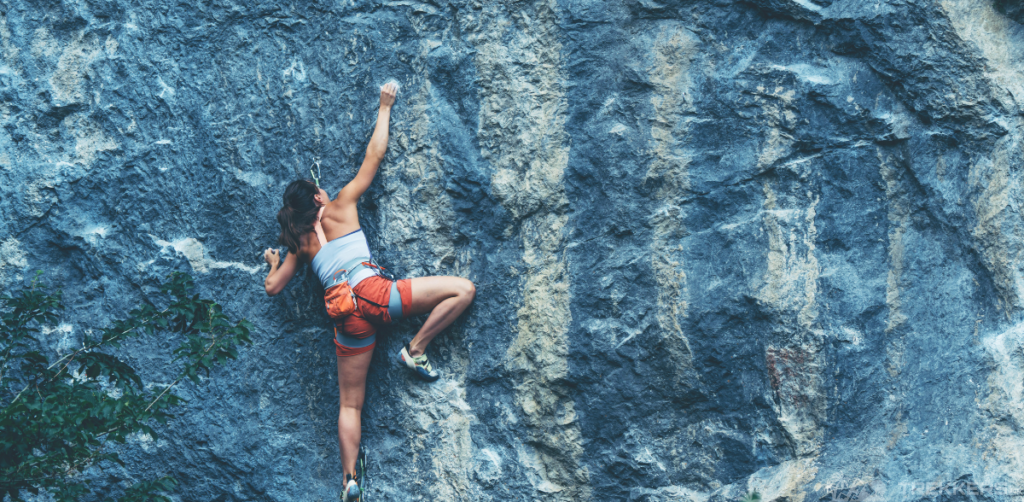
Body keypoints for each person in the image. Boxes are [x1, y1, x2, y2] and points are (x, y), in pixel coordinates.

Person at [261, 82, 475, 501]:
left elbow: (273, 288)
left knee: (349, 405)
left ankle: (349, 481)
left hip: (346, 320)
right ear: (318, 197)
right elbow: (373, 156)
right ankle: (415, 349)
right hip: (375, 294)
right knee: (463, 290)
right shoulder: (341, 204)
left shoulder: (299, 244)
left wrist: (273, 262)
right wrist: (384, 106)